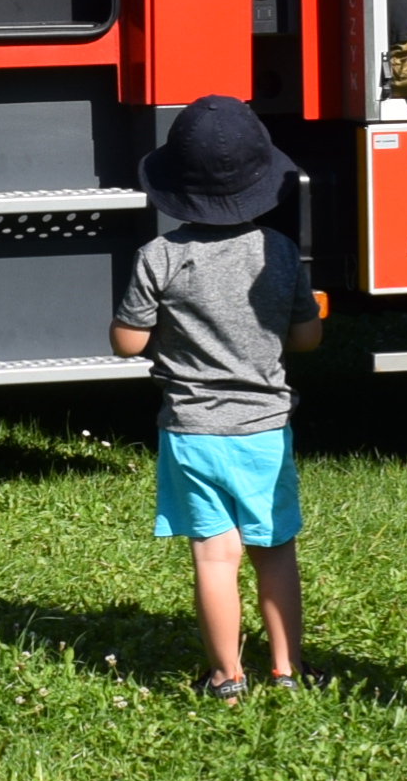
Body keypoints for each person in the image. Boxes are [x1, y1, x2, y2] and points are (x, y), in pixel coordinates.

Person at [110, 96, 324, 700]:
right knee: (274, 549)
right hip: (264, 430)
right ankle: (287, 668)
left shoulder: (160, 257)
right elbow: (306, 337)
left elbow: (129, 343)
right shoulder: (279, 252)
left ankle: (227, 677)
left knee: (214, 555)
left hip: (192, 432)